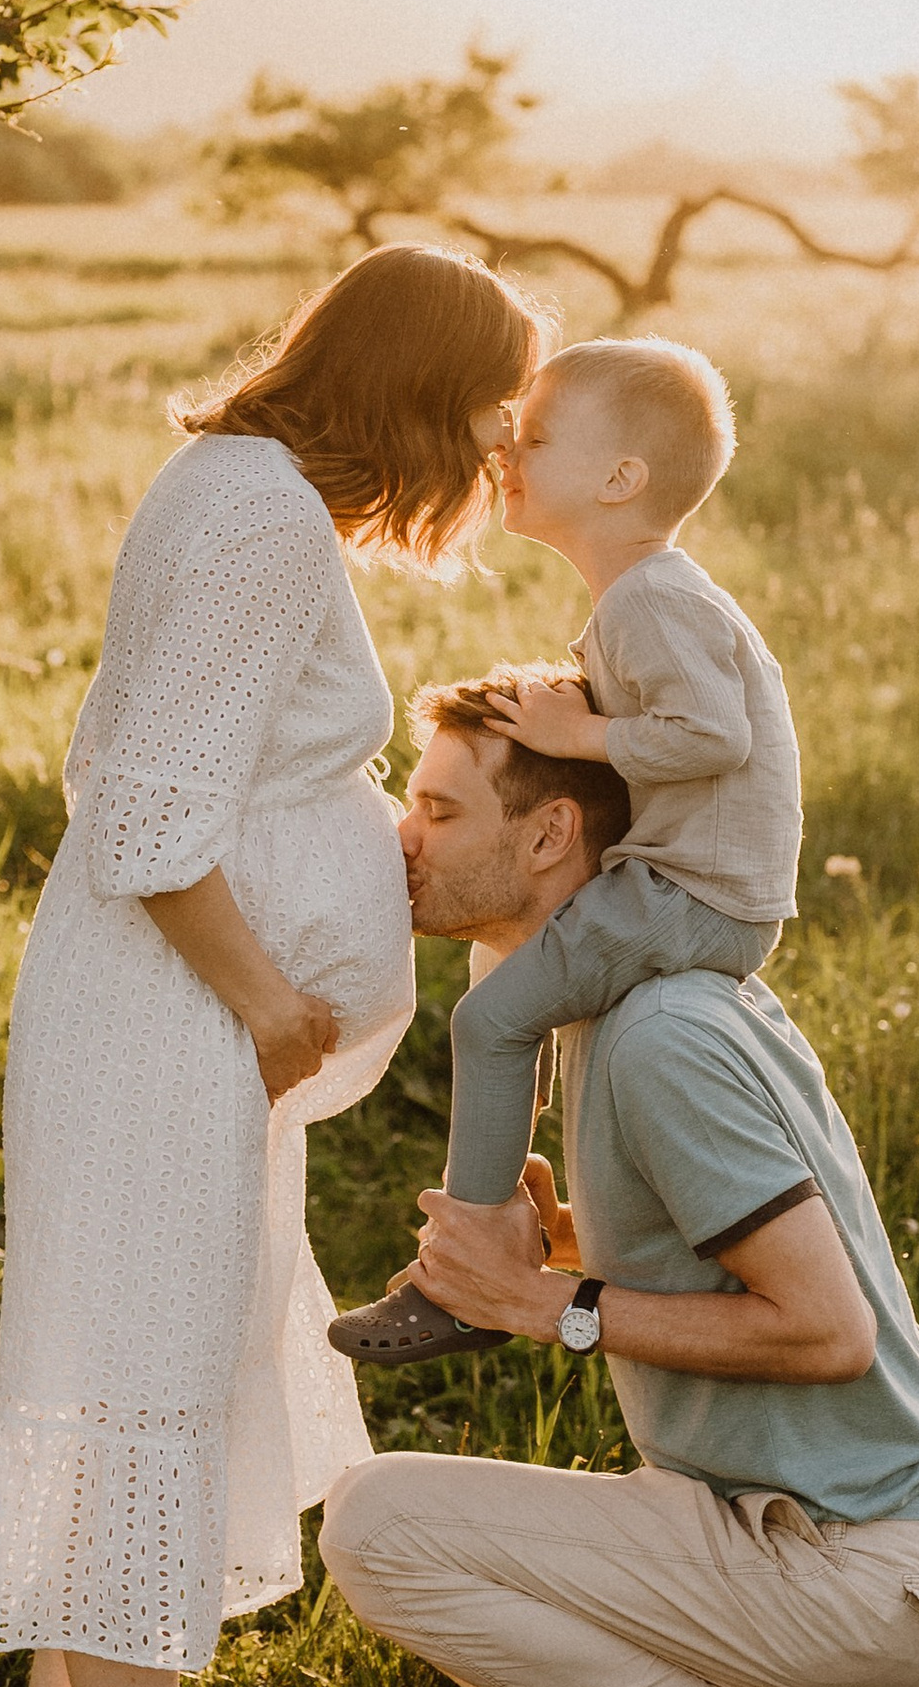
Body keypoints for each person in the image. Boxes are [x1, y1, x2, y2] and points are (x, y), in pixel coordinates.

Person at [0, 250, 547, 1687]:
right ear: (415, 391)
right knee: (137, 1386)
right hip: (168, 1021)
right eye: (486, 407)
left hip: (177, 1023)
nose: (494, 444)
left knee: (155, 1371)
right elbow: (142, 811)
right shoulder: (263, 516)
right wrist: (272, 1002)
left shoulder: (244, 482)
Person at [319, 671, 919, 1687]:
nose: (403, 835)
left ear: (549, 833)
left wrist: (548, 1309)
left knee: (374, 1525)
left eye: (438, 809)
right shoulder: (597, 1010)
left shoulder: (660, 1034)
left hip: (862, 1551)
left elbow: (824, 1329)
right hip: (786, 1530)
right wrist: (577, 1256)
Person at [329, 337, 802, 1366]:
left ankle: (460, 1280)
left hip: (695, 892)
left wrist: (571, 736)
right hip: (680, 882)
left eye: (535, 436)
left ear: (619, 479)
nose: (506, 447)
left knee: (492, 1017)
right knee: (506, 966)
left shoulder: (651, 597)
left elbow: (714, 736)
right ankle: (509, 1204)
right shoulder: (635, 597)